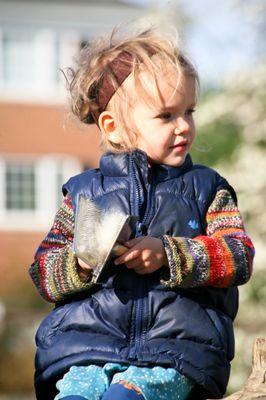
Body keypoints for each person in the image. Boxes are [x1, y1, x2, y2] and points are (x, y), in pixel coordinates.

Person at [29, 26, 255, 400]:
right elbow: (44, 273)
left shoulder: (207, 188)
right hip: (85, 349)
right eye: (166, 116)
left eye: (189, 112)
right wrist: (83, 264)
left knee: (124, 397)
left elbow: (238, 256)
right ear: (114, 127)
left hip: (173, 356)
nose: (184, 126)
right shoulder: (85, 192)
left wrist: (169, 255)